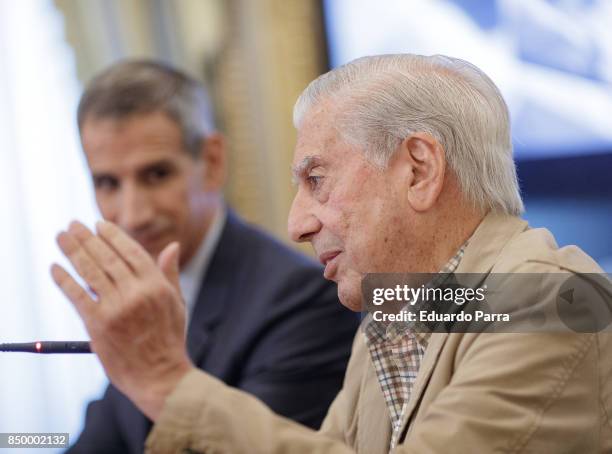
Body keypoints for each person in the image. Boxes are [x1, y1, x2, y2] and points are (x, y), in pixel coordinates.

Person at [52, 54, 612, 453]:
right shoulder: (398, 310)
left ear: (419, 169)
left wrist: (166, 382)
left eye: (317, 179)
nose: (296, 224)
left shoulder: (554, 300)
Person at [65, 60, 359, 453]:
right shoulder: (145, 299)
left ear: (213, 161)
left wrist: (161, 376)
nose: (132, 214)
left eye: (156, 175)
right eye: (107, 183)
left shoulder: (304, 300)